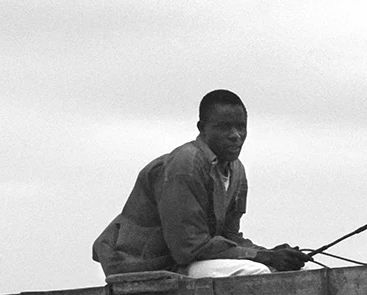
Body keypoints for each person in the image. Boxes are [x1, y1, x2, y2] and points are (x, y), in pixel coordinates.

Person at [92, 90, 310, 278]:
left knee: (286, 272)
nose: (236, 135)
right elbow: (187, 248)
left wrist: (270, 253)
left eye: (241, 127)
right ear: (202, 128)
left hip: (191, 263)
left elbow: (229, 237)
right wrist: (263, 257)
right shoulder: (186, 164)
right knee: (258, 274)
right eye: (225, 127)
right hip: (153, 267)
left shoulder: (236, 170)